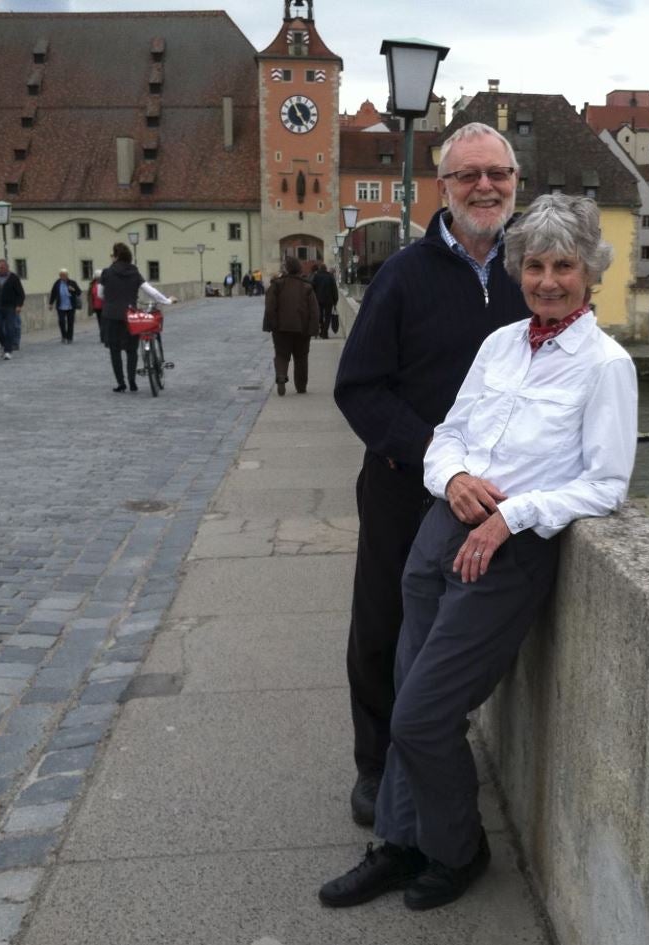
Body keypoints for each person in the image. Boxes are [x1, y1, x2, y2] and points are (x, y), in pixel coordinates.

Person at [320, 193, 638, 911]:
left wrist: (512, 516)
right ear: (519, 271)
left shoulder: (604, 365)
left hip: (505, 556)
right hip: (438, 533)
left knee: (422, 715)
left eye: (563, 265)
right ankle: (401, 842)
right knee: (407, 696)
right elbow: (451, 432)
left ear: (590, 273)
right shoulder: (500, 343)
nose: (547, 280)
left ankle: (457, 848)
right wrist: (454, 477)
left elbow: (606, 485)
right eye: (534, 265)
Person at [332, 122, 527, 829]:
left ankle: (433, 760)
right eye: (468, 174)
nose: (485, 186)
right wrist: (436, 460)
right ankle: (375, 763)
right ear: (442, 188)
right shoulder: (403, 275)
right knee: (383, 626)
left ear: (515, 182)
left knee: (460, 638)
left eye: (497, 174)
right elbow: (359, 387)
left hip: (494, 500)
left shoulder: (530, 273)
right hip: (402, 484)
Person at [100, 242, 173, 392]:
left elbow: (101, 294)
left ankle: (121, 384)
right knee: (131, 350)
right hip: (130, 316)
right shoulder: (134, 272)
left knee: (115, 351)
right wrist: (166, 300)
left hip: (111, 316)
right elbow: (149, 290)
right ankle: (133, 382)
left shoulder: (106, 273)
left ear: (116, 256)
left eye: (112, 255)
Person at [262, 257, 319, 396]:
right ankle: (301, 386)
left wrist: (273, 324)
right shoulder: (307, 286)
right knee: (301, 357)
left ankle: (281, 376)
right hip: (302, 329)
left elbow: (269, 308)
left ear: (286, 269)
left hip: (281, 328)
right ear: (299, 269)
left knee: (281, 355)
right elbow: (314, 310)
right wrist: (313, 329)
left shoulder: (277, 285)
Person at [0, 259, 25, 360]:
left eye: (2, 267)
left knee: (10, 328)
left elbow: (21, 293)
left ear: (7, 267)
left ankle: (8, 350)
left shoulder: (13, 278)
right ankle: (4, 344)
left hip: (10, 307)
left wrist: (19, 305)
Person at [48, 268, 82, 344]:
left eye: (64, 275)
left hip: (70, 306)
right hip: (60, 306)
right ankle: (64, 336)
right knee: (61, 321)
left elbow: (79, 292)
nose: (62, 277)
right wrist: (51, 303)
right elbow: (53, 293)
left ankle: (69, 338)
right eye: (61, 275)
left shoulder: (72, 282)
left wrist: (73, 289)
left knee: (70, 322)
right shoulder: (57, 283)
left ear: (67, 275)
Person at [311, 262, 339, 338]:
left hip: (318, 300)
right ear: (326, 269)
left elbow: (312, 288)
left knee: (319, 316)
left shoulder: (316, 276)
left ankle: (322, 328)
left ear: (320, 269)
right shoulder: (330, 276)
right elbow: (334, 289)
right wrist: (335, 300)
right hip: (329, 300)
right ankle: (325, 332)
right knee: (327, 317)